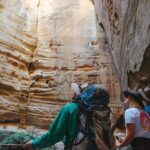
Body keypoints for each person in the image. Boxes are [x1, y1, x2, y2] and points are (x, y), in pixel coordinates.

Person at [23, 83, 110, 150]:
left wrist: (34, 143)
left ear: (80, 95)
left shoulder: (70, 108)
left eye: (74, 92)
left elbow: (54, 135)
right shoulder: (102, 111)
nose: (72, 95)